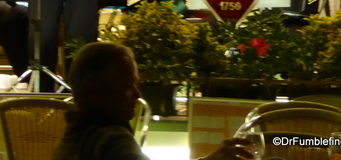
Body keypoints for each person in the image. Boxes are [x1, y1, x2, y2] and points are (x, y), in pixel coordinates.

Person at [53, 42, 253, 160]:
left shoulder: (75, 135)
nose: (138, 94)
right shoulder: (111, 139)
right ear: (94, 92)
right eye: (128, 85)